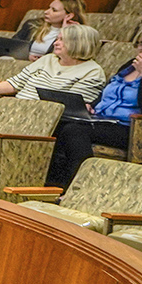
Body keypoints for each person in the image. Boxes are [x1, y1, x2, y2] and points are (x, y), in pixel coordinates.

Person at [49, 42, 141, 187]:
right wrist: (91, 105)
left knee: (74, 131)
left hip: (129, 128)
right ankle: (51, 185)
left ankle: (82, 185)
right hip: (102, 120)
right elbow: (108, 92)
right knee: (57, 124)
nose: (140, 49)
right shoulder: (130, 65)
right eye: (140, 44)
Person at [0, 23, 106, 102]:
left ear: (78, 44)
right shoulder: (48, 59)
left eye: (62, 40)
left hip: (43, 118)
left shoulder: (92, 71)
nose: (55, 43)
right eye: (57, 39)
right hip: (16, 108)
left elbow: (70, 105)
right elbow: (16, 83)